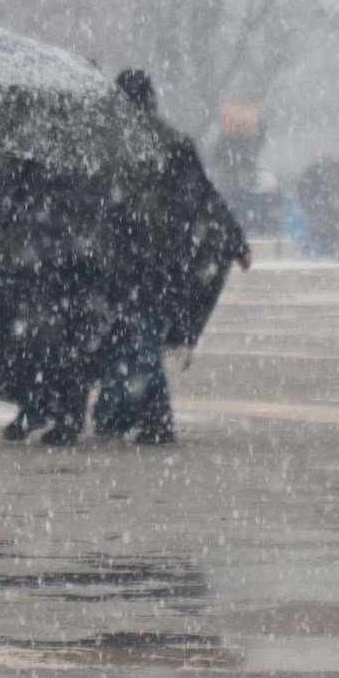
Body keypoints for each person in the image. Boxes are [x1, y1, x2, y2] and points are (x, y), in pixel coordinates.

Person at [94, 69, 251, 445]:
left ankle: (151, 415)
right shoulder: (173, 142)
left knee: (131, 337)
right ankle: (123, 411)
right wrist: (234, 240)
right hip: (162, 257)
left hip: (125, 259)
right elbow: (203, 195)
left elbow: (99, 203)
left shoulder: (109, 145)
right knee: (135, 335)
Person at [0, 157, 109, 446]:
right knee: (26, 343)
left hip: (64, 267)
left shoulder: (79, 164)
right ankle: (37, 407)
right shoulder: (18, 160)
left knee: (62, 343)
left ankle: (64, 415)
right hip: (29, 263)